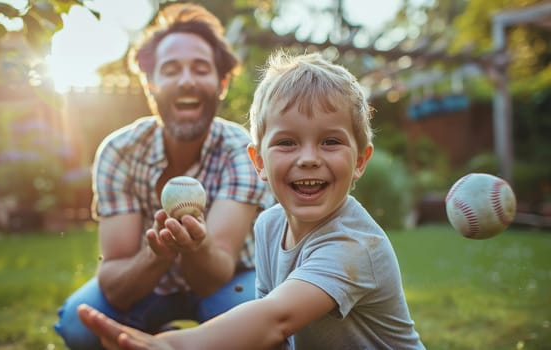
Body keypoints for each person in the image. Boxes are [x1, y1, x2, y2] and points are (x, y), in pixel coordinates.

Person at [76, 51, 426, 349]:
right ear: (258, 162)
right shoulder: (270, 224)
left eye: (330, 142)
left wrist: (169, 344)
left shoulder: (354, 245)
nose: (308, 158)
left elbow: (275, 319)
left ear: (360, 161)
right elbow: (271, 339)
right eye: (287, 142)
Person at [53, 3, 274, 349]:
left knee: (259, 327)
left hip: (231, 279)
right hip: (150, 282)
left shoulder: (240, 151)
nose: (186, 80)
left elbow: (213, 275)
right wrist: (158, 253)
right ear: (150, 83)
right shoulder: (119, 151)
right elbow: (114, 284)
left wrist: (195, 245)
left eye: (200, 68)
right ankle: (162, 335)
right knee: (80, 327)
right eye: (170, 70)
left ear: (222, 83)